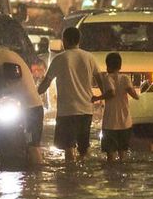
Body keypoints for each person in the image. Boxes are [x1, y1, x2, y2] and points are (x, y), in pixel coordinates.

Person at [37, 27, 105, 163]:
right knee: (83, 150)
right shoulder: (89, 57)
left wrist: (33, 94)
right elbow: (100, 81)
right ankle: (82, 177)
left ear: (65, 40)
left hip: (67, 112)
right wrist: (103, 98)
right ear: (79, 40)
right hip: (86, 110)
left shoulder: (60, 58)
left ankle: (70, 176)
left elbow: (46, 83)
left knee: (68, 148)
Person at [0, 46, 45, 166]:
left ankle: (37, 174)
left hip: (29, 110)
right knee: (30, 144)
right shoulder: (9, 54)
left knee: (31, 145)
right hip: (33, 108)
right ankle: (34, 177)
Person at [92, 52, 139, 163]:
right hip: (125, 122)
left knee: (110, 155)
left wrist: (97, 98)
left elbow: (111, 93)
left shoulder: (107, 78)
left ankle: (112, 176)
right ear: (120, 66)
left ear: (108, 66)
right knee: (123, 154)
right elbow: (135, 96)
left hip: (110, 123)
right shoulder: (125, 78)